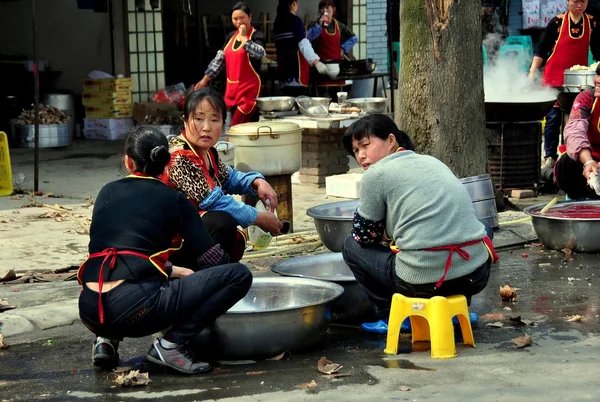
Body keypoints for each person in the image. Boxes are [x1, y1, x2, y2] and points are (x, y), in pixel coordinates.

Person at [78, 125, 252, 374]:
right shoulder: (174, 199)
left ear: (128, 162)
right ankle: (170, 345)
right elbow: (213, 260)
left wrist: (173, 270)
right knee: (239, 276)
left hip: (90, 310)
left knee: (120, 274)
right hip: (136, 309)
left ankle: (105, 341)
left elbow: (115, 253)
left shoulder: (106, 191)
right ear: (167, 162)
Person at [340, 114, 499, 334]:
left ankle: (392, 316)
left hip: (421, 282)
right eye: (356, 151)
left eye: (366, 145)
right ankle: (456, 311)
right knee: (482, 227)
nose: (361, 156)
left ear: (391, 140)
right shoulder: (430, 161)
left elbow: (363, 236)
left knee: (350, 246)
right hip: (475, 276)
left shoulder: (375, 175)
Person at [161, 88, 283, 262]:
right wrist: (258, 218)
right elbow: (214, 201)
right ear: (185, 120)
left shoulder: (208, 152)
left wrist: (257, 182)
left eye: (214, 120)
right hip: (171, 242)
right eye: (199, 119)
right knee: (221, 220)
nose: (206, 127)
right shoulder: (179, 156)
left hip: (190, 233)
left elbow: (228, 177)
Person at [528, 0, 600, 170]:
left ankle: (568, 155)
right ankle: (549, 157)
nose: (579, 5)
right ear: (568, 2)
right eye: (575, 1)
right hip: (553, 79)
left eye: (583, 1)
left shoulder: (592, 22)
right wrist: (532, 72)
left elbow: (597, 49)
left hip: (577, 81)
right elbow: (542, 48)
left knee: (573, 120)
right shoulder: (557, 23)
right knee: (552, 119)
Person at [194, 2, 264, 127]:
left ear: (250, 17)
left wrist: (244, 38)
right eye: (235, 19)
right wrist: (204, 80)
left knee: (236, 126)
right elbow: (219, 60)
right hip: (231, 91)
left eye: (242, 18)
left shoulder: (256, 35)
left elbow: (260, 53)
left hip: (248, 91)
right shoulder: (231, 36)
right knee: (225, 125)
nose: (238, 22)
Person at [555, 64, 600, 199]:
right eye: (597, 75)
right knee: (566, 163)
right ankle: (579, 198)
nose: (598, 80)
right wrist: (588, 162)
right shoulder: (587, 98)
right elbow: (575, 130)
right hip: (588, 159)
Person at [273, 0, 328, 97]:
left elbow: (302, 37)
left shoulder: (277, 23)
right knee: (298, 101)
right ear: (293, 3)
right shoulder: (295, 20)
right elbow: (303, 43)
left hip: (283, 72)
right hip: (296, 71)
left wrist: (318, 26)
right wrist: (316, 62)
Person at [307, 0, 357, 99]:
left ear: (333, 9)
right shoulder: (314, 24)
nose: (324, 10)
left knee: (336, 101)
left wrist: (343, 48)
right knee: (319, 100)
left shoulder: (339, 25)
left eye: (327, 7)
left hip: (335, 69)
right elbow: (307, 38)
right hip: (320, 68)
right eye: (322, 8)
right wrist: (319, 26)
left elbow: (354, 38)